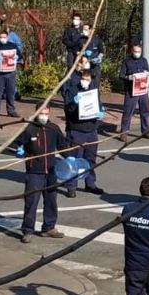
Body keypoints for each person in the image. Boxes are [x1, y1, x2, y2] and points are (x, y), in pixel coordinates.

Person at [11, 113, 68, 243]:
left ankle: (49, 227)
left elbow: (62, 145)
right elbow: (16, 144)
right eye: (41, 113)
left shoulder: (53, 128)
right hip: (34, 171)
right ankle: (28, 230)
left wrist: (68, 156)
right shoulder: (30, 129)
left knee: (51, 200)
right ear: (37, 114)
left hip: (51, 170)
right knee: (31, 202)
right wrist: (19, 150)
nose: (44, 116)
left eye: (47, 113)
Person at [62, 65, 104, 197]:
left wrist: (100, 113)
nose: (85, 81)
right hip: (76, 129)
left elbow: (99, 105)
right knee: (74, 159)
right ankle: (71, 186)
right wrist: (74, 103)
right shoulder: (72, 90)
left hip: (91, 129)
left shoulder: (94, 90)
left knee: (90, 158)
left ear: (91, 79)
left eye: (88, 79)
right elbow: (68, 110)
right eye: (83, 78)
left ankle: (90, 183)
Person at [118, 39, 149, 142]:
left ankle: (146, 130)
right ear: (132, 51)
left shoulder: (144, 60)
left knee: (145, 111)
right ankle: (124, 133)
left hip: (142, 90)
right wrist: (128, 78)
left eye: (139, 51)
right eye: (135, 51)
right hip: (131, 91)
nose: (137, 53)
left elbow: (147, 71)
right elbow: (121, 75)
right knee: (128, 112)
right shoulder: (127, 61)